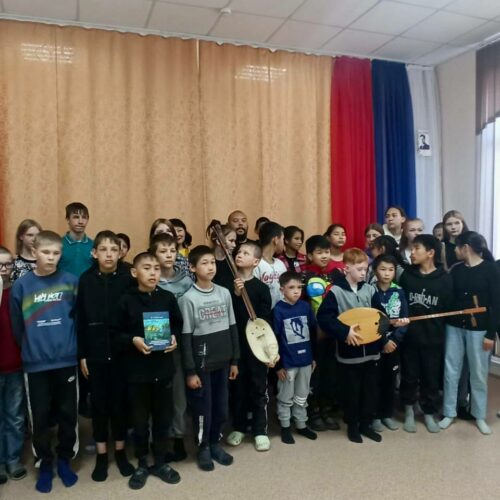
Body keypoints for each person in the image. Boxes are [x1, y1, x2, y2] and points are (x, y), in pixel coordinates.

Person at [10, 231, 79, 493]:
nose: (51, 257)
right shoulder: (22, 286)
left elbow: (78, 318)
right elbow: (17, 326)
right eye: (46, 252)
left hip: (66, 361)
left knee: (67, 414)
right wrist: (31, 348)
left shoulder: (71, 282)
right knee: (39, 417)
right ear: (34, 252)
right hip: (36, 364)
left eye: (56, 253)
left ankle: (64, 459)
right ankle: (45, 463)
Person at [114, 252, 182, 489]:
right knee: (140, 421)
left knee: (163, 418)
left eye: (156, 268)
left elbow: (177, 323)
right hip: (137, 373)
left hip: (163, 369)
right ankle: (142, 462)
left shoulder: (167, 297)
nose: (153, 273)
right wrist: (132, 340)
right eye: (147, 268)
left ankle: (161, 460)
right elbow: (115, 334)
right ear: (135, 272)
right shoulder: (125, 300)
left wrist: (174, 338)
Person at [76, 231, 135, 482]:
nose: (109, 254)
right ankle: (101, 455)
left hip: (123, 352)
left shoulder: (128, 278)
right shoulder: (86, 280)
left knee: (120, 404)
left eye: (114, 249)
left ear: (120, 252)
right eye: (103, 249)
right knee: (99, 405)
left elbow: (134, 316)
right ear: (94, 253)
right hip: (95, 352)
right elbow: (80, 319)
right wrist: (82, 354)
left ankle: (120, 451)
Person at [317, 248, 387, 444]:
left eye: (366, 269)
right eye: (359, 269)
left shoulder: (370, 290)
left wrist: (390, 325)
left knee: (369, 391)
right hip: (349, 353)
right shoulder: (336, 291)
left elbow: (380, 316)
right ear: (346, 268)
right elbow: (324, 318)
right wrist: (345, 331)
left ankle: (366, 425)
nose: (364, 273)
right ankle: (353, 426)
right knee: (351, 392)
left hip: (371, 352)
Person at [179, 246, 239, 472]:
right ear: (193, 268)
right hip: (201, 366)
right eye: (204, 263)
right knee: (203, 409)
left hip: (223, 362)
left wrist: (235, 360)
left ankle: (215, 443)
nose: (210, 267)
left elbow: (233, 327)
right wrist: (190, 371)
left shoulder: (224, 293)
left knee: (221, 408)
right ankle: (203, 446)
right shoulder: (188, 299)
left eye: (212, 262)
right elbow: (186, 338)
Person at [439, 232, 500, 435]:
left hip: (480, 330)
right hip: (454, 327)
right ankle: (449, 412)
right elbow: (448, 298)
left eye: (457, 247)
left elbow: (497, 304)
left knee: (479, 373)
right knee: (451, 370)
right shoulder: (456, 270)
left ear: (466, 248)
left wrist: (490, 334)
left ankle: (479, 415)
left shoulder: (491, 269)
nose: (455, 251)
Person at [399, 234, 453, 434]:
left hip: (433, 338)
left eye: (416, 249)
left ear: (430, 253)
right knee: (409, 375)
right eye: (411, 249)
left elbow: (448, 308)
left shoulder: (444, 279)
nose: (412, 253)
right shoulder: (407, 276)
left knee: (430, 377)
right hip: (410, 337)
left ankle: (429, 411)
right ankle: (409, 409)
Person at [150, 233, 193, 462]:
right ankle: (157, 439)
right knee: (156, 396)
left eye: (172, 251)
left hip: (181, 342)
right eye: (163, 251)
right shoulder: (151, 280)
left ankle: (178, 436)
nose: (168, 255)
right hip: (156, 345)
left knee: (179, 394)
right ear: (154, 254)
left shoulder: (186, 280)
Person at [226, 242, 272, 452]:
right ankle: (239, 427)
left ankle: (260, 430)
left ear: (256, 261)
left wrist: (268, 349)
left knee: (258, 388)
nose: (239, 254)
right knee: (238, 389)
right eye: (239, 252)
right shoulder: (228, 286)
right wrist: (236, 294)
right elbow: (229, 316)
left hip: (256, 347)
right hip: (236, 345)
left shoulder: (262, 288)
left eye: (246, 253)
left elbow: (264, 320)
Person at [302, 235, 341, 432]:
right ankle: (313, 412)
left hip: (333, 331)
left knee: (330, 372)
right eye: (319, 252)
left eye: (327, 252)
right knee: (314, 374)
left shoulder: (336, 275)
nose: (324, 256)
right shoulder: (304, 277)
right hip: (312, 333)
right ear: (310, 255)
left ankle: (326, 410)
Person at [273, 271, 318, 444]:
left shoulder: (305, 307)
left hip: (305, 360)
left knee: (302, 393)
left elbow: (312, 332)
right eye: (291, 287)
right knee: (286, 395)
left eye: (299, 287)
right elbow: (275, 339)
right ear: (282, 289)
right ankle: (285, 426)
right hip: (288, 362)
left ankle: (301, 424)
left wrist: (313, 356)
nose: (296, 291)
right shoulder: (278, 310)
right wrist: (279, 366)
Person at [370, 255, 409, 432]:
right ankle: (375, 416)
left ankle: (387, 414)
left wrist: (394, 340)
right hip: (375, 343)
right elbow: (369, 320)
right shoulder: (370, 291)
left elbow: (405, 319)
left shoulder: (399, 291)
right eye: (382, 269)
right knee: (375, 380)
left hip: (394, 345)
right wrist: (383, 340)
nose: (387, 273)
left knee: (390, 380)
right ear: (375, 271)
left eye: (391, 270)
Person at [0, 246, 26, 483]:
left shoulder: (18, 290)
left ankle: (13, 458)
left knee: (15, 415)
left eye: (8, 264)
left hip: (15, 364)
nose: (4, 269)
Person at [253, 222, 286, 308]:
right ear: (276, 240)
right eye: (283, 239)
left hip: (281, 311)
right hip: (263, 312)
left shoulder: (280, 264)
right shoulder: (255, 264)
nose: (284, 243)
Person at [58, 202, 94, 277]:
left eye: (84, 217)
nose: (80, 221)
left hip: (87, 284)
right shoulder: (58, 244)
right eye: (76, 217)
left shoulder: (94, 245)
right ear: (68, 219)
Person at [207, 221, 237, 291]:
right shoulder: (207, 261)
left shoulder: (234, 260)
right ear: (218, 241)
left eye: (235, 241)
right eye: (231, 241)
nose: (234, 245)